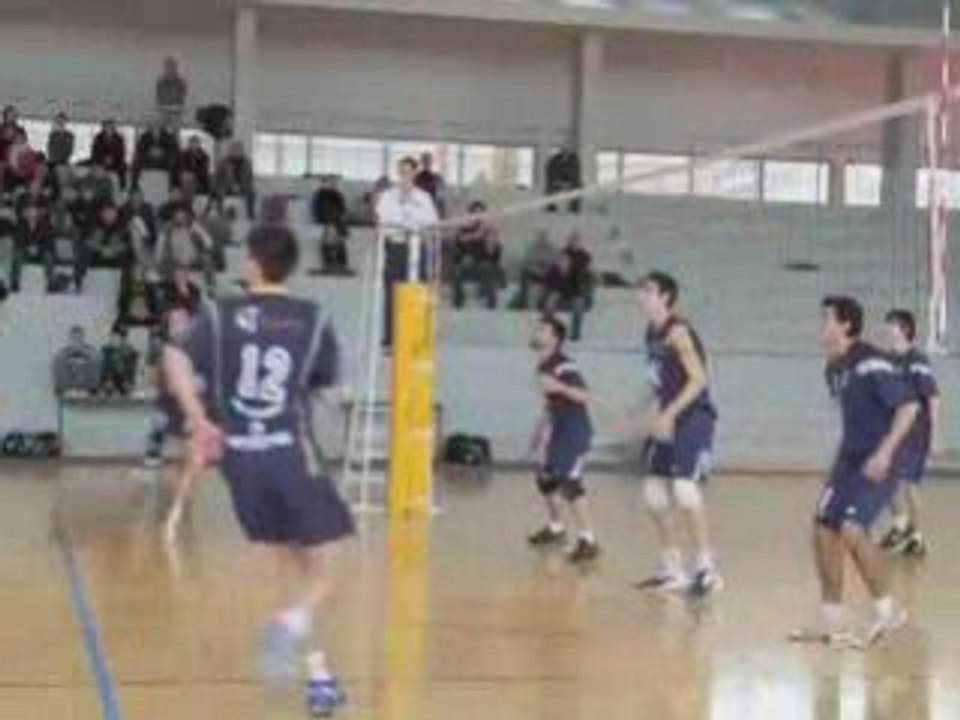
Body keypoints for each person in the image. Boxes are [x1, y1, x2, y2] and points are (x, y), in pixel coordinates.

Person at [164, 224, 353, 716]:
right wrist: (339, 404)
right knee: (326, 573)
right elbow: (328, 388)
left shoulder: (220, 314)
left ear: (251, 263)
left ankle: (319, 675)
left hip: (241, 461)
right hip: (291, 454)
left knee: (289, 566)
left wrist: (198, 416)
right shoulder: (313, 318)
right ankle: (288, 631)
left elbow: (173, 356)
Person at [791, 296, 918, 647]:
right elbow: (855, 419)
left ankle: (888, 612)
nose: (821, 326)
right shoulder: (834, 367)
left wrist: (884, 452)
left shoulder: (871, 362)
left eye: (827, 319)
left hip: (883, 458)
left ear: (846, 325)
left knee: (851, 528)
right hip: (849, 460)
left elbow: (908, 408)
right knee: (822, 528)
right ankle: (833, 620)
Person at [634, 271, 722, 598]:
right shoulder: (651, 333)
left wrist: (669, 414)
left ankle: (706, 568)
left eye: (648, 290)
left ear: (666, 297)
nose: (641, 295)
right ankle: (673, 568)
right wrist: (639, 410)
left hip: (693, 418)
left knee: (685, 489)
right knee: (653, 492)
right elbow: (658, 380)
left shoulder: (678, 331)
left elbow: (699, 379)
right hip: (669, 418)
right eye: (640, 289)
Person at [527, 316, 599, 563]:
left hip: (574, 432)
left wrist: (559, 386)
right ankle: (556, 528)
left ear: (555, 339)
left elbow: (585, 396)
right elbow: (551, 406)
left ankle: (589, 540)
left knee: (569, 483)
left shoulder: (563, 366)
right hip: (558, 429)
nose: (537, 332)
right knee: (544, 477)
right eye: (537, 328)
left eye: (543, 330)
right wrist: (540, 437)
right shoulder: (543, 366)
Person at [878, 309, 940, 557]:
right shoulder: (886, 360)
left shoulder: (917, 361)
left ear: (904, 330)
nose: (886, 331)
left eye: (890, 326)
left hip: (916, 433)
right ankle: (901, 526)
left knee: (908, 485)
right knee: (885, 480)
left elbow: (933, 398)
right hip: (894, 431)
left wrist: (934, 437)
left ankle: (915, 534)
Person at [375, 156, 439, 348]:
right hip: (396, 247)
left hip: (417, 248)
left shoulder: (424, 197)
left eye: (408, 171)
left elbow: (431, 221)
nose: (405, 175)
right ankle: (390, 339)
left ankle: (414, 337)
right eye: (401, 171)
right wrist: (400, 222)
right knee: (392, 293)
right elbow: (383, 219)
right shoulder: (388, 196)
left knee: (416, 291)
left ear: (414, 172)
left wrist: (413, 222)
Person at [451, 201, 502, 310]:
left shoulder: (489, 230)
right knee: (458, 269)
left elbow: (491, 252)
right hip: (467, 263)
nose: (478, 217)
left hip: (484, 264)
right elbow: (460, 240)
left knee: (486, 267)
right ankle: (458, 301)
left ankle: (490, 303)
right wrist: (476, 233)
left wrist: (492, 234)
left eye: (481, 214)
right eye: (475, 213)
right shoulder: (464, 228)